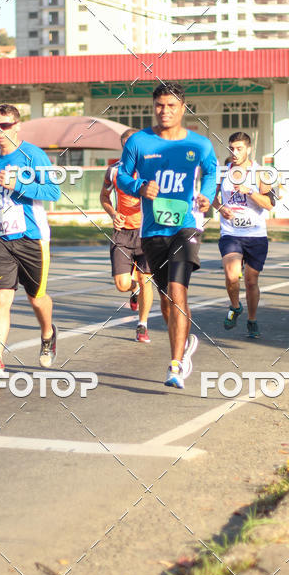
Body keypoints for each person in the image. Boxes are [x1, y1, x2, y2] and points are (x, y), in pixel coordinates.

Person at [117, 82, 217, 389]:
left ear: (183, 108)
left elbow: (212, 171)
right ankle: (183, 342)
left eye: (171, 105)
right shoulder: (138, 142)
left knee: (177, 291)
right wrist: (139, 187)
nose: (165, 111)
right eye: (160, 105)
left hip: (186, 227)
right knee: (166, 299)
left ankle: (175, 365)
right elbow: (122, 175)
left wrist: (207, 196)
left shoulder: (199, 144)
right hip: (152, 232)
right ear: (154, 107)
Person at [0, 104, 61, 377]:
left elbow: (53, 191)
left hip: (32, 236)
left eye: (4, 126)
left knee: (36, 298)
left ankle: (48, 333)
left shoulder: (33, 155)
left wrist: (19, 185)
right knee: (0, 299)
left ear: (17, 126)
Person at [213, 132, 275, 338]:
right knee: (232, 276)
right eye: (231, 148)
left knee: (250, 281)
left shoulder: (260, 173)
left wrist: (250, 191)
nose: (234, 153)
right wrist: (222, 209)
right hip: (231, 232)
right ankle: (235, 306)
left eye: (239, 148)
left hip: (256, 234)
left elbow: (269, 204)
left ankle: (252, 320)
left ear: (248, 149)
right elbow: (213, 197)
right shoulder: (223, 172)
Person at [100, 129, 154, 342]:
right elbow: (104, 196)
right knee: (122, 284)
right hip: (123, 233)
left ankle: (142, 325)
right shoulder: (113, 171)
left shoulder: (153, 169)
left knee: (146, 278)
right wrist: (113, 213)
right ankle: (134, 288)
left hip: (148, 233)